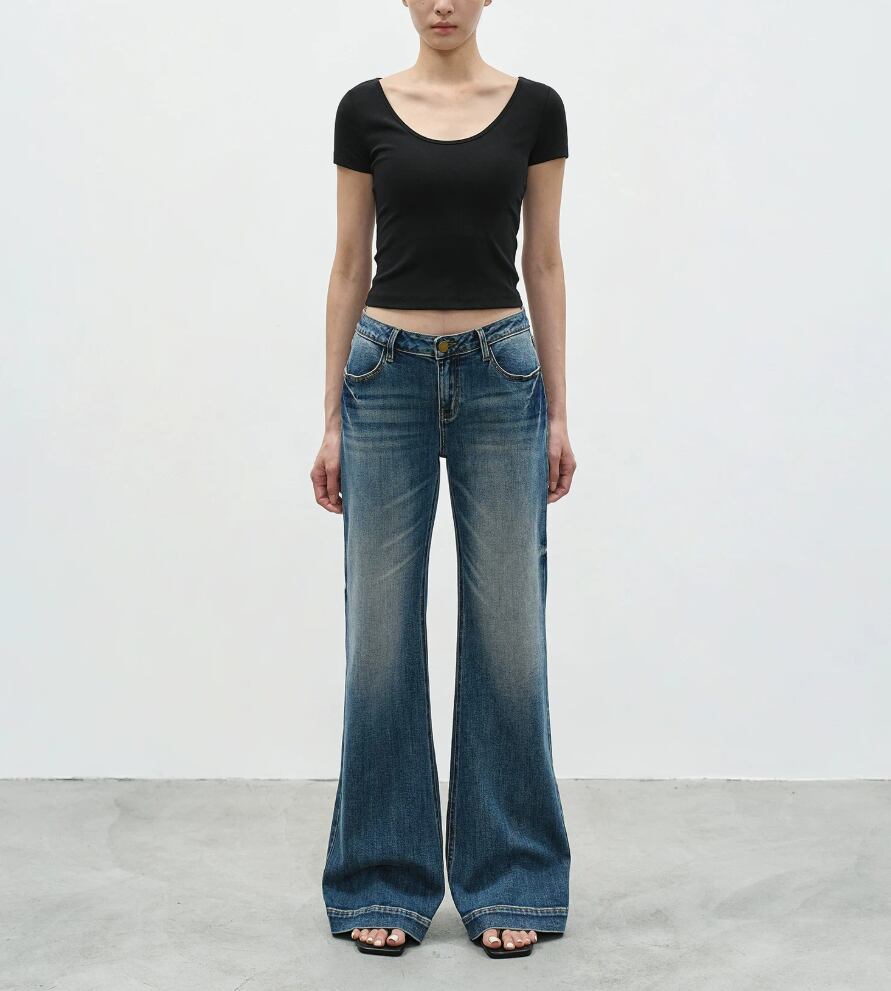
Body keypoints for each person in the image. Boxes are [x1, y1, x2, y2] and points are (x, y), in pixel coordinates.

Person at [310, 0, 577, 959]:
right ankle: (382, 875)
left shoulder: (536, 107)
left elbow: (543, 261)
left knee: (509, 635)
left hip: (503, 374)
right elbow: (349, 264)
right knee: (379, 638)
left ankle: (513, 876)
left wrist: (558, 408)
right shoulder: (363, 108)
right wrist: (330, 416)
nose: (442, 5)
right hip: (383, 374)